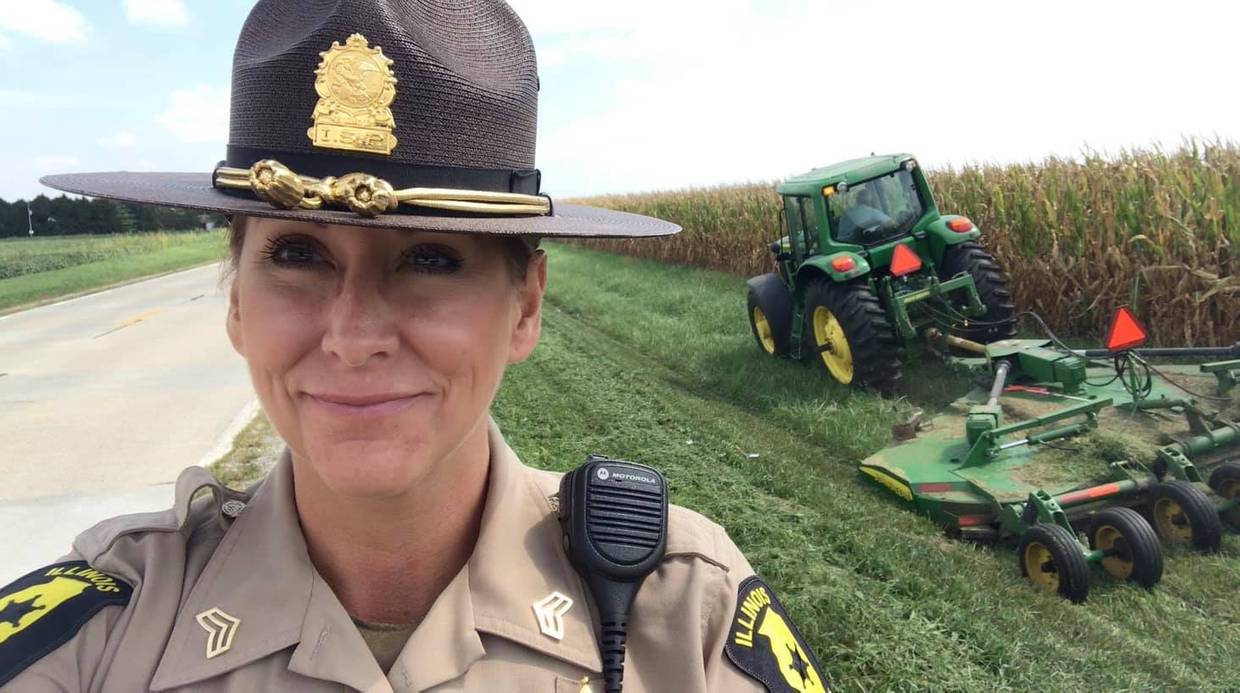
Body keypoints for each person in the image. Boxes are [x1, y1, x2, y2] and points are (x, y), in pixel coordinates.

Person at [1, 1, 826, 691]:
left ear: (525, 307)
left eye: (430, 258)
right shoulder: (104, 634)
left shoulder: (684, 614)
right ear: (237, 302)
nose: (353, 337)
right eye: (298, 254)